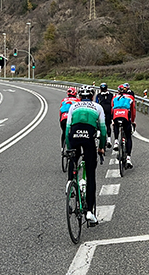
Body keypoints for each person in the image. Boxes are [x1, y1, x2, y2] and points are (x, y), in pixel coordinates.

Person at [65, 85, 107, 225]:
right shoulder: (97, 107)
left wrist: (70, 148)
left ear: (80, 96)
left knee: (73, 159)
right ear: (92, 95)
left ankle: (69, 182)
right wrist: (101, 148)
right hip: (89, 137)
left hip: (74, 135)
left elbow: (67, 130)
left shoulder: (73, 106)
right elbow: (103, 130)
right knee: (90, 174)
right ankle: (89, 212)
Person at [111, 84, 136, 168]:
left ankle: (116, 141)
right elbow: (133, 111)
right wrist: (132, 121)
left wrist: (112, 120)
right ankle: (128, 158)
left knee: (116, 125)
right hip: (125, 116)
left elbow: (112, 109)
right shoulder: (130, 98)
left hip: (116, 115)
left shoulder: (114, 98)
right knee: (128, 136)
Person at [95, 83, 114, 148]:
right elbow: (113, 103)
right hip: (109, 110)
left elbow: (96, 103)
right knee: (108, 125)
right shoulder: (111, 95)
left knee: (99, 121)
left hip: (101, 109)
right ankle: (109, 139)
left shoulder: (98, 95)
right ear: (107, 89)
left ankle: (98, 132)